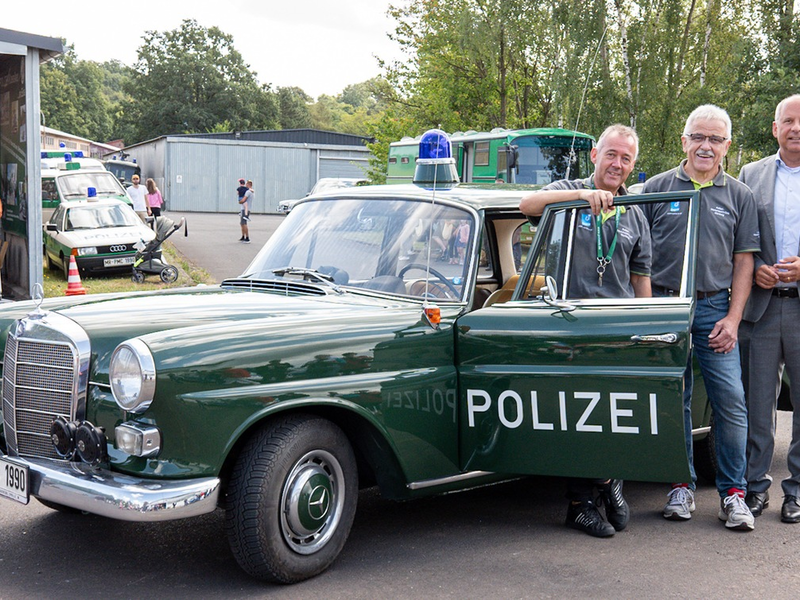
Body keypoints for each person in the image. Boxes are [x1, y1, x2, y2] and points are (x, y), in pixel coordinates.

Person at [519, 124, 651, 537]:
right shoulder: (567, 191)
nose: (617, 164)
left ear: (632, 165)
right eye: (611, 154)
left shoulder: (636, 212)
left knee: (616, 413)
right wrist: (580, 197)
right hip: (570, 324)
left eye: (625, 158)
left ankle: (611, 480)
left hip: (616, 329)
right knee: (578, 417)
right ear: (595, 155)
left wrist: (647, 330)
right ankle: (580, 504)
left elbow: (641, 277)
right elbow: (527, 204)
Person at [642, 105, 760, 531]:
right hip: (664, 309)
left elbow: (744, 261)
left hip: (715, 310)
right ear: (684, 140)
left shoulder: (739, 196)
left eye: (715, 139)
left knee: (731, 402)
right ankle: (680, 485)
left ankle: (733, 494)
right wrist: (647, 312)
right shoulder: (655, 188)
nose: (705, 146)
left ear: (727, 146)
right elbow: (637, 259)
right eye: (698, 137)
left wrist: (733, 318)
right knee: (675, 399)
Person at [738, 94, 800, 523]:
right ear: (775, 128)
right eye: (788, 121)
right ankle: (754, 488)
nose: (796, 128)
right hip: (760, 310)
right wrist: (756, 266)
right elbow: (735, 237)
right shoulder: (750, 174)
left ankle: (796, 493)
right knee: (757, 407)